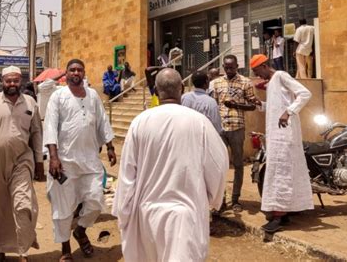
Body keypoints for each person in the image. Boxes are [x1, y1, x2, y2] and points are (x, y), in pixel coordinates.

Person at [113, 68, 228, 262]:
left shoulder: (140, 122)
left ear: (156, 92)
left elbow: (127, 174)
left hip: (147, 215)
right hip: (185, 218)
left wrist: (123, 213)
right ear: (182, 89)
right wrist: (212, 200)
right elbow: (219, 164)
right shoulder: (199, 122)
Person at [44, 59, 116, 261]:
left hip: (90, 160)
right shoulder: (58, 97)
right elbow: (50, 126)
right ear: (66, 74)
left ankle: (80, 231)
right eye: (72, 69)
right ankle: (65, 248)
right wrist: (54, 158)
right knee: (63, 208)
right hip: (64, 162)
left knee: (95, 201)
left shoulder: (93, 95)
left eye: (79, 69)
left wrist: (110, 146)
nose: (76, 72)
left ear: (84, 73)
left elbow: (102, 121)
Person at [0, 65, 44, 262]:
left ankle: (23, 251)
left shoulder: (30, 102)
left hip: (22, 161)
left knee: (23, 205)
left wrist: (39, 161)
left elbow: (37, 132)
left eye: (15, 81)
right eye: (8, 81)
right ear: (2, 82)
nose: (12, 84)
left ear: (20, 81)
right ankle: (0, 249)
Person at [250, 54, 313, 233]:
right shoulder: (272, 82)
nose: (258, 76)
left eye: (257, 71)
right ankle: (282, 213)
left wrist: (289, 112)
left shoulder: (281, 75)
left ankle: (278, 216)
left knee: (281, 173)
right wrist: (260, 104)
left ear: (264, 65)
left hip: (285, 136)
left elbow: (305, 93)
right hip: (276, 136)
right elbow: (275, 106)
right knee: (278, 173)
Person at [212, 54, 257, 212]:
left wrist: (237, 105)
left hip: (237, 128)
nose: (229, 70)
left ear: (237, 66)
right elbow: (214, 104)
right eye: (226, 67)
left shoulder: (245, 82)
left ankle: (236, 199)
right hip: (221, 129)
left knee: (238, 164)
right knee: (220, 165)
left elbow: (253, 106)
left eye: (232, 67)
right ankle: (221, 199)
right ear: (223, 67)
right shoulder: (216, 83)